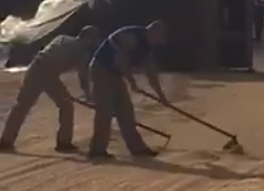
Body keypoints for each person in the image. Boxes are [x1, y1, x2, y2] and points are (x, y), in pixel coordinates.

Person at [0, 25, 99, 153]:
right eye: (93, 39)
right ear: (87, 38)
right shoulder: (81, 52)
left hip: (35, 67)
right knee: (66, 106)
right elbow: (83, 75)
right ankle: (64, 142)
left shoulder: (62, 38)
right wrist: (88, 94)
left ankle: (6, 141)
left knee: (22, 106)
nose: (94, 43)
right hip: (47, 71)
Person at [87, 21, 169, 160]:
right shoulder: (131, 36)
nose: (157, 43)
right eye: (158, 39)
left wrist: (161, 95)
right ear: (152, 32)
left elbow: (151, 71)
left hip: (115, 74)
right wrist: (132, 82)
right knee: (105, 111)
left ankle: (138, 148)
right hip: (101, 69)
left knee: (125, 110)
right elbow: (120, 61)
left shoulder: (147, 47)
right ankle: (97, 150)